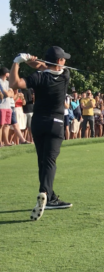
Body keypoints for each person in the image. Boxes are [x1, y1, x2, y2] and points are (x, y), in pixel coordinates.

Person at [9, 48, 73, 221]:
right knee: (50, 161)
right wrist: (32, 61)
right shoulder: (65, 75)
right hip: (57, 123)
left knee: (42, 160)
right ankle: (45, 193)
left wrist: (18, 61)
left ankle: (50, 197)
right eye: (63, 59)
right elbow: (43, 66)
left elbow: (14, 84)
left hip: (38, 123)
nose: (65, 62)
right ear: (59, 61)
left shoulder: (38, 77)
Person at [0, 67, 13, 147]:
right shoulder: (0, 81)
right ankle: (0, 142)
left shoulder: (8, 83)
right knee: (1, 125)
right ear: (5, 73)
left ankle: (6, 142)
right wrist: (8, 93)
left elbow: (11, 94)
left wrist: (8, 93)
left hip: (8, 106)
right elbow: (8, 94)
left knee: (7, 125)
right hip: (1, 106)